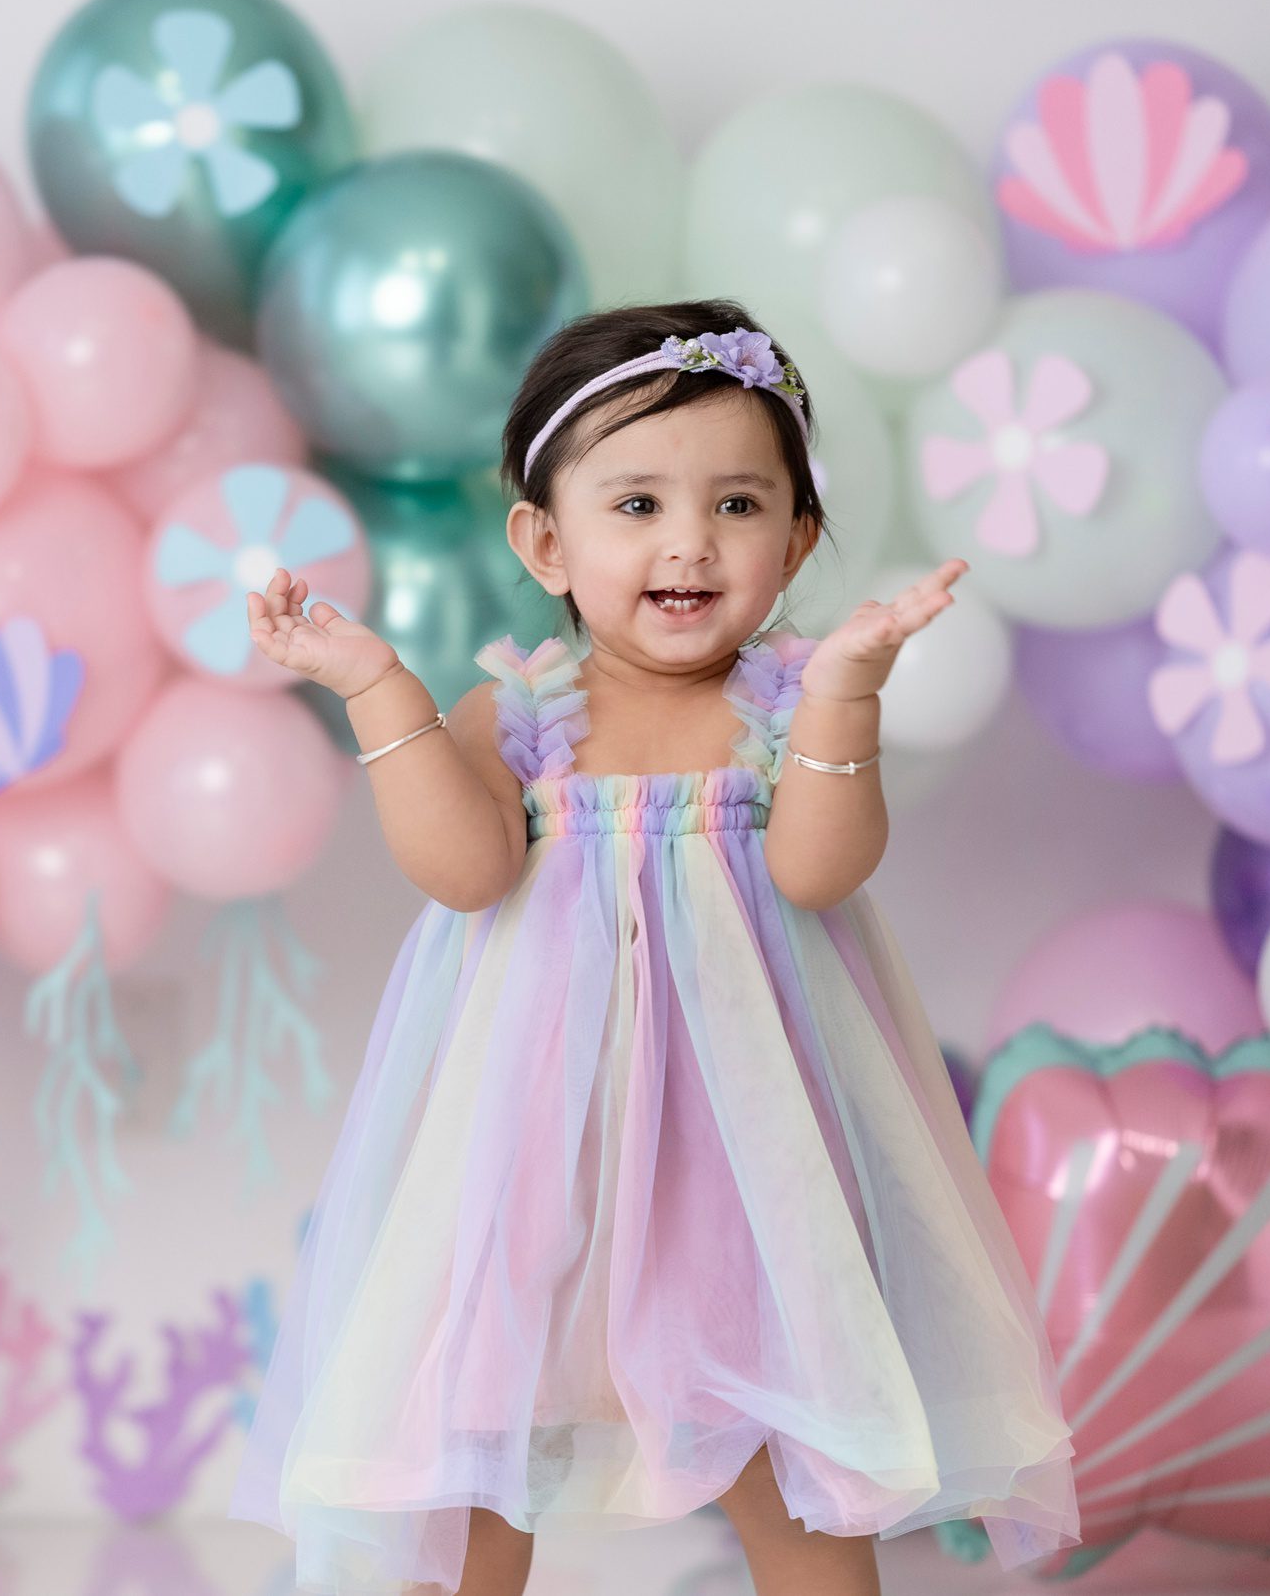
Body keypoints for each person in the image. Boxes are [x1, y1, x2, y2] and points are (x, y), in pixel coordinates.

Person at [224, 300, 1080, 1596]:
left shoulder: (786, 708)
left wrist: (848, 693)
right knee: (478, 1437)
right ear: (545, 543)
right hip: (538, 1149)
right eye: (636, 506)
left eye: (739, 505)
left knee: (788, 1447)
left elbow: (819, 869)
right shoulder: (521, 714)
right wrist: (373, 686)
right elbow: (465, 870)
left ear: (797, 540)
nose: (690, 542)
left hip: (746, 1161)